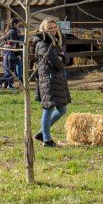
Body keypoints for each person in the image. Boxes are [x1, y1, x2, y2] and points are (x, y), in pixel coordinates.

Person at [31, 18, 71, 147]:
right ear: (44, 28)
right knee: (48, 108)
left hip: (55, 78)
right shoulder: (43, 43)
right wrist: (62, 59)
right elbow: (56, 61)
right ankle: (47, 140)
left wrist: (63, 58)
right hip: (48, 78)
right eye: (50, 28)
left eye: (54, 27)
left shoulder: (54, 42)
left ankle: (42, 133)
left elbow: (63, 58)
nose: (53, 30)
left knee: (62, 109)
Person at [0, 25, 23, 90]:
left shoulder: (7, 48)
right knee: (11, 74)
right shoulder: (10, 49)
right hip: (10, 62)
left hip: (8, 62)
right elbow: (11, 58)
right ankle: (2, 82)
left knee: (9, 74)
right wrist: (17, 58)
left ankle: (8, 85)